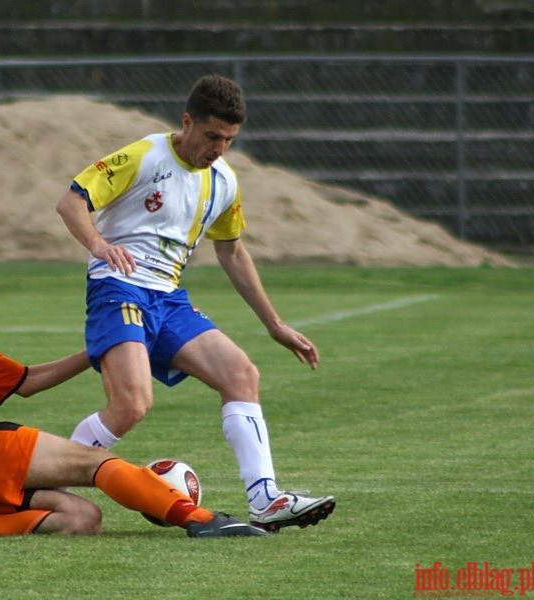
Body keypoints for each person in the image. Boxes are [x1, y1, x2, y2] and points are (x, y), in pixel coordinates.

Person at [0, 238, 269, 538]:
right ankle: (202, 520)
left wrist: (101, 346)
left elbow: (27, 381)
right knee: (94, 462)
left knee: (81, 518)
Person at [55, 74, 335, 533]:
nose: (219, 147)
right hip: (118, 288)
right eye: (211, 136)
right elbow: (71, 203)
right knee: (131, 405)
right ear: (187, 123)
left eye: (228, 139)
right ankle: (47, 486)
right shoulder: (144, 156)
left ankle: (265, 499)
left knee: (241, 373)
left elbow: (232, 252)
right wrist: (99, 245)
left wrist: (275, 324)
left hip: (167, 297)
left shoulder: (225, 181)